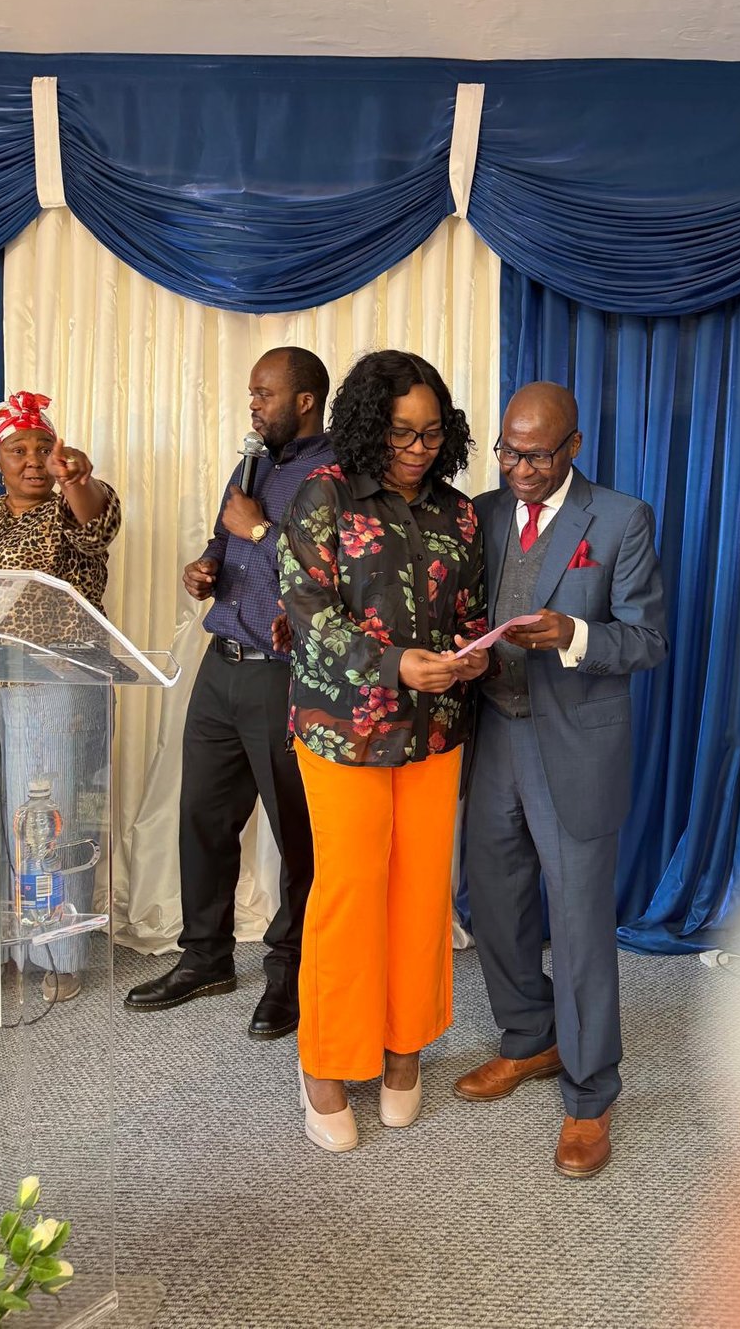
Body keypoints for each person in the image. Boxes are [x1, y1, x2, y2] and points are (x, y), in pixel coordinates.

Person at [454, 381, 668, 1178]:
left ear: (573, 447)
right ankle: (529, 1037)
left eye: (537, 455)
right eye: (508, 452)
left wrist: (575, 632)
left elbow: (647, 639)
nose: (520, 469)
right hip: (493, 734)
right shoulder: (480, 513)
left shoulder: (621, 519)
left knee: (577, 920)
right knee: (493, 898)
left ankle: (590, 1094)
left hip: (573, 744)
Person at [279, 349, 488, 1153]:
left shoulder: (458, 513)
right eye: (402, 432)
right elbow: (310, 613)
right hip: (343, 730)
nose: (419, 448)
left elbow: (470, 612)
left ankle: (405, 1047)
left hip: (433, 730)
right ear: (370, 426)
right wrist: (395, 662)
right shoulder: (323, 496)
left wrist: (471, 653)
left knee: (421, 892)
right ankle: (326, 1061)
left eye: (432, 433)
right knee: (351, 890)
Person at [125, 347, 331, 1041]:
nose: (253, 405)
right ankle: (205, 956)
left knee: (296, 830)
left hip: (284, 674)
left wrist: (258, 531)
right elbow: (225, 538)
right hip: (221, 665)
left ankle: (291, 968)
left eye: (264, 393)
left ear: (304, 400)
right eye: (251, 393)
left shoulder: (335, 474)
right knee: (203, 816)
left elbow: (328, 573)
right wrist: (206, 565)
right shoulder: (252, 465)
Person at [0, 390, 121, 1003]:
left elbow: (95, 524)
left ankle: (58, 954)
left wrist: (79, 480)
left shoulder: (73, 504)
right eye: (19, 450)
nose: (34, 460)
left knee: (47, 819)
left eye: (44, 447)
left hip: (55, 686)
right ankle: (6, 947)